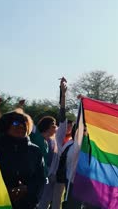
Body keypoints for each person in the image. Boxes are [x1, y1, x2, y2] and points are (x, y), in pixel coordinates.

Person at [0, 110, 46, 208]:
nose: (21, 126)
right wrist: (6, 191)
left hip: (26, 203)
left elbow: (40, 179)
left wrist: (27, 189)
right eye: (16, 122)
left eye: (24, 123)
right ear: (6, 126)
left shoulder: (35, 150)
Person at [36, 77, 73, 209]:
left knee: (52, 204)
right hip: (40, 178)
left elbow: (62, 114)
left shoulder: (57, 138)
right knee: (40, 204)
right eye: (53, 124)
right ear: (46, 126)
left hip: (55, 178)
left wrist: (63, 94)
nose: (56, 126)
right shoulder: (36, 139)